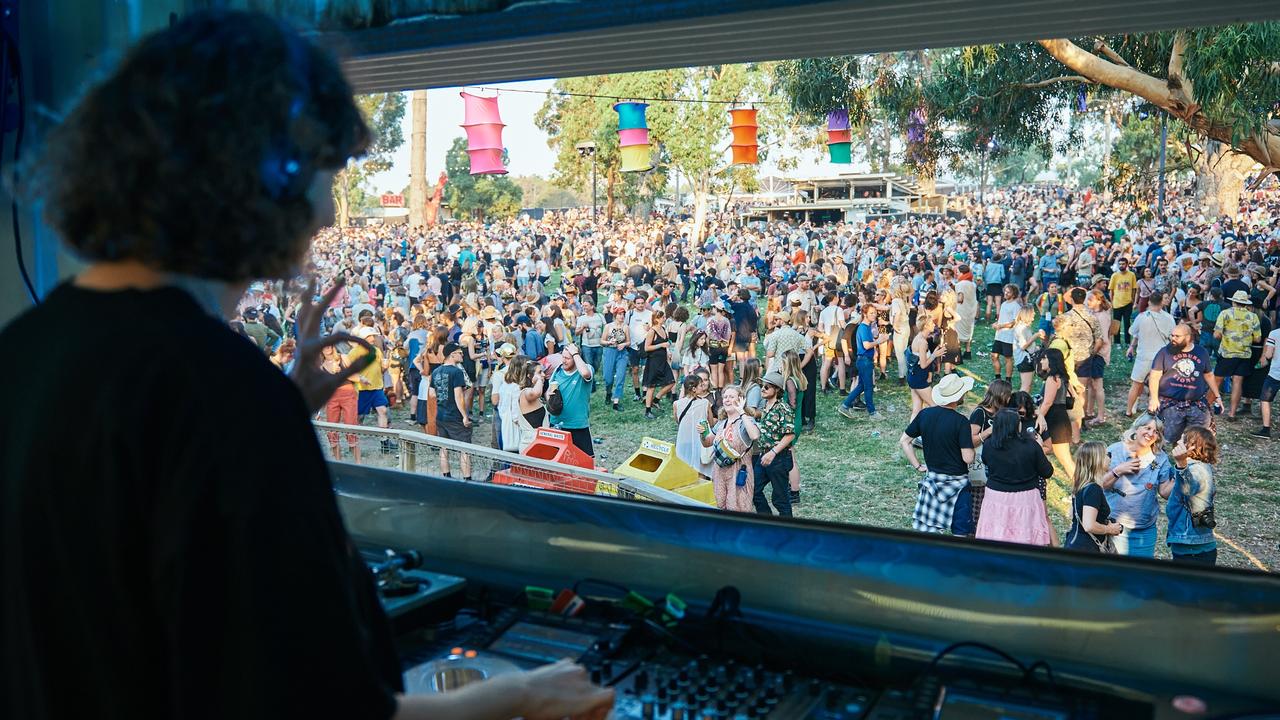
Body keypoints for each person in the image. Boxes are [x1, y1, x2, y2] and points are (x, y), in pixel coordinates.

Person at [0, 12, 613, 720]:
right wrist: (518, 696)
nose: (327, 211)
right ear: (264, 175)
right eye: (327, 168)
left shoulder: (25, 351)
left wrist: (278, 410)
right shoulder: (221, 393)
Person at [900, 374, 976, 535]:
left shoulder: (925, 414)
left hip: (933, 481)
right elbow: (967, 458)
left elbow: (905, 441)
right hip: (958, 484)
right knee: (961, 533)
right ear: (959, 396)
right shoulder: (961, 421)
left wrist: (917, 465)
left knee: (928, 532)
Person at [975, 408, 1055, 545]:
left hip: (996, 497)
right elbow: (1047, 472)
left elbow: (986, 462)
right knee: (1025, 537)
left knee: (996, 535)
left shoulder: (989, 445)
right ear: (1014, 425)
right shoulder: (1031, 446)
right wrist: (1040, 447)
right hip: (1025, 498)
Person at [1100, 414, 1173, 557]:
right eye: (1148, 428)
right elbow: (1100, 484)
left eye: (1156, 431)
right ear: (1136, 429)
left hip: (1144, 530)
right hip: (1114, 525)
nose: (1151, 434)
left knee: (1141, 575)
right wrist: (1118, 470)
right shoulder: (1115, 451)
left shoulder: (1161, 458)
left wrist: (1182, 469)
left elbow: (1165, 492)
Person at [1148, 323, 1223, 443]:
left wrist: (1217, 396)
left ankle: (1190, 459)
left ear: (1188, 337)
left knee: (1198, 440)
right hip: (1171, 405)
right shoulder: (1164, 352)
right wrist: (1153, 398)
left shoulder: (1201, 352)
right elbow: (1155, 375)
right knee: (1168, 440)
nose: (1173, 339)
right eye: (1172, 335)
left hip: (1196, 405)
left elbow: (1208, 375)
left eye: (1177, 336)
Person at [1159, 426, 1219, 565]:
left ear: (1191, 445)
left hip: (1193, 550)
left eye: (1182, 439)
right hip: (1190, 546)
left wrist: (1181, 463)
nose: (1178, 441)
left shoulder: (1197, 470)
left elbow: (1188, 489)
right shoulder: (1197, 466)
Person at [700, 385, 759, 512]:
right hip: (719, 472)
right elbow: (707, 443)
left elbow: (755, 435)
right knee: (721, 507)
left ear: (740, 399)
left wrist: (742, 411)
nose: (727, 400)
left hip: (738, 472)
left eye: (731, 397)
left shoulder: (746, 421)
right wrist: (702, 433)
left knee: (739, 508)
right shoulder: (721, 423)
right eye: (725, 397)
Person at [1062, 442, 1125, 552]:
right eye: (1107, 454)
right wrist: (1109, 529)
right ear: (1097, 460)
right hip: (1086, 549)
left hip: (1075, 543)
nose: (1110, 457)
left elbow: (1073, 514)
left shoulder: (1081, 485)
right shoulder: (1093, 489)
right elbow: (1089, 525)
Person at [968, 379, 1012, 530]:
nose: (1009, 399)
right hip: (982, 466)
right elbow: (970, 440)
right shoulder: (980, 413)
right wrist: (988, 432)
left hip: (997, 466)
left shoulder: (1002, 412)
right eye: (1007, 395)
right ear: (999, 395)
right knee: (978, 508)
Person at [752, 371, 797, 517]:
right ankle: (768, 521)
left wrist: (773, 453)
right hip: (763, 455)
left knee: (780, 500)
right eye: (762, 386)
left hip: (778, 459)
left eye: (767, 387)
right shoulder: (766, 404)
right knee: (753, 490)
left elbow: (790, 435)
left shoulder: (783, 408)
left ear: (777, 389)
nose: (762, 389)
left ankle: (788, 531)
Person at [1124, 290, 1175, 418]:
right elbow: (1172, 337)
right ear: (1161, 302)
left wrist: (1131, 347)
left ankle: (1129, 410)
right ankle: (1154, 410)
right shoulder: (1169, 318)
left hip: (1143, 356)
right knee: (1157, 386)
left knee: (1136, 384)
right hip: (1161, 357)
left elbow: (1133, 332)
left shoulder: (1141, 317)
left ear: (1149, 301)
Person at [1214, 289, 1262, 421]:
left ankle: (1207, 409)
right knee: (1237, 383)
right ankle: (1232, 414)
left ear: (1234, 302)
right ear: (1245, 303)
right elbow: (1258, 339)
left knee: (1217, 381)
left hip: (1227, 353)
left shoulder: (1225, 314)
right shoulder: (1253, 316)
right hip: (1244, 354)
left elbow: (1216, 335)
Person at [838, 303, 890, 420]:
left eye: (875, 313)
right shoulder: (863, 327)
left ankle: (845, 405)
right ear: (865, 314)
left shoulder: (865, 327)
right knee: (868, 386)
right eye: (871, 313)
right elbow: (866, 345)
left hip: (864, 360)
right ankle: (872, 412)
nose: (874, 315)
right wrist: (880, 341)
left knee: (861, 385)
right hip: (864, 360)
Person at [433, 342, 475, 480]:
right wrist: (465, 416)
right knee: (464, 449)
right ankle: (467, 479)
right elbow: (458, 396)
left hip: (441, 415)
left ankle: (446, 477)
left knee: (443, 448)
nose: (463, 355)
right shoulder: (456, 371)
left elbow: (432, 394)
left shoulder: (436, 371)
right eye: (460, 353)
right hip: (455, 415)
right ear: (452, 355)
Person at [549, 343, 595, 456]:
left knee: (584, 462)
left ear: (576, 357)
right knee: (558, 461)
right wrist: (549, 396)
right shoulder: (558, 371)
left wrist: (574, 353)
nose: (564, 361)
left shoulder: (586, 368)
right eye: (563, 357)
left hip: (577, 425)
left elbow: (585, 373)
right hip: (557, 424)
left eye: (567, 358)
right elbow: (548, 391)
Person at [320, 343, 361, 463]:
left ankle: (358, 463)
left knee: (350, 427)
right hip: (332, 397)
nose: (327, 347)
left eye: (329, 345)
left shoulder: (343, 357)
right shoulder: (321, 366)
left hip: (348, 393)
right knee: (332, 430)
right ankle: (338, 462)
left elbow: (355, 376)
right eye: (324, 346)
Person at [673, 375, 715, 478]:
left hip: (683, 441)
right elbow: (711, 423)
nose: (703, 386)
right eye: (701, 385)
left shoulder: (676, 404)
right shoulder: (705, 403)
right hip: (700, 442)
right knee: (701, 472)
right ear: (694, 389)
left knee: (684, 472)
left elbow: (678, 421)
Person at [642, 309, 677, 419]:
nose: (664, 319)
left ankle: (656, 399)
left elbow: (666, 344)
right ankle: (648, 410)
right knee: (651, 386)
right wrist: (661, 345)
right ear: (656, 319)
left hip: (663, 360)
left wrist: (668, 351)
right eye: (662, 317)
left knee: (671, 382)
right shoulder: (652, 331)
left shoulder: (663, 328)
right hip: (653, 361)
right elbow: (647, 348)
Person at [601, 306, 630, 412]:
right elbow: (602, 341)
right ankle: (609, 392)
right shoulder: (608, 326)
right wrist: (609, 342)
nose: (622, 316)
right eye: (620, 314)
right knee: (608, 378)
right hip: (610, 351)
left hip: (622, 353)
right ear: (615, 315)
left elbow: (629, 342)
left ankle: (616, 402)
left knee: (620, 377)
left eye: (623, 314)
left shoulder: (625, 327)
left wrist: (624, 345)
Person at [1254, 320, 1280, 438]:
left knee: (1265, 399)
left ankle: (1266, 429)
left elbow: (1269, 355)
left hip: (1275, 373)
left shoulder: (1274, 333)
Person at [990, 284, 1021, 382]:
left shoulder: (1016, 306)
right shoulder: (1004, 304)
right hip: (999, 335)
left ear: (1013, 294)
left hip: (1008, 336)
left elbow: (1014, 322)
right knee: (994, 355)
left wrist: (1001, 326)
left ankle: (1008, 379)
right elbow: (1002, 319)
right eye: (1005, 291)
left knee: (1008, 358)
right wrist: (996, 323)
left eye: (1009, 292)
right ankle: (997, 378)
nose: (1006, 293)